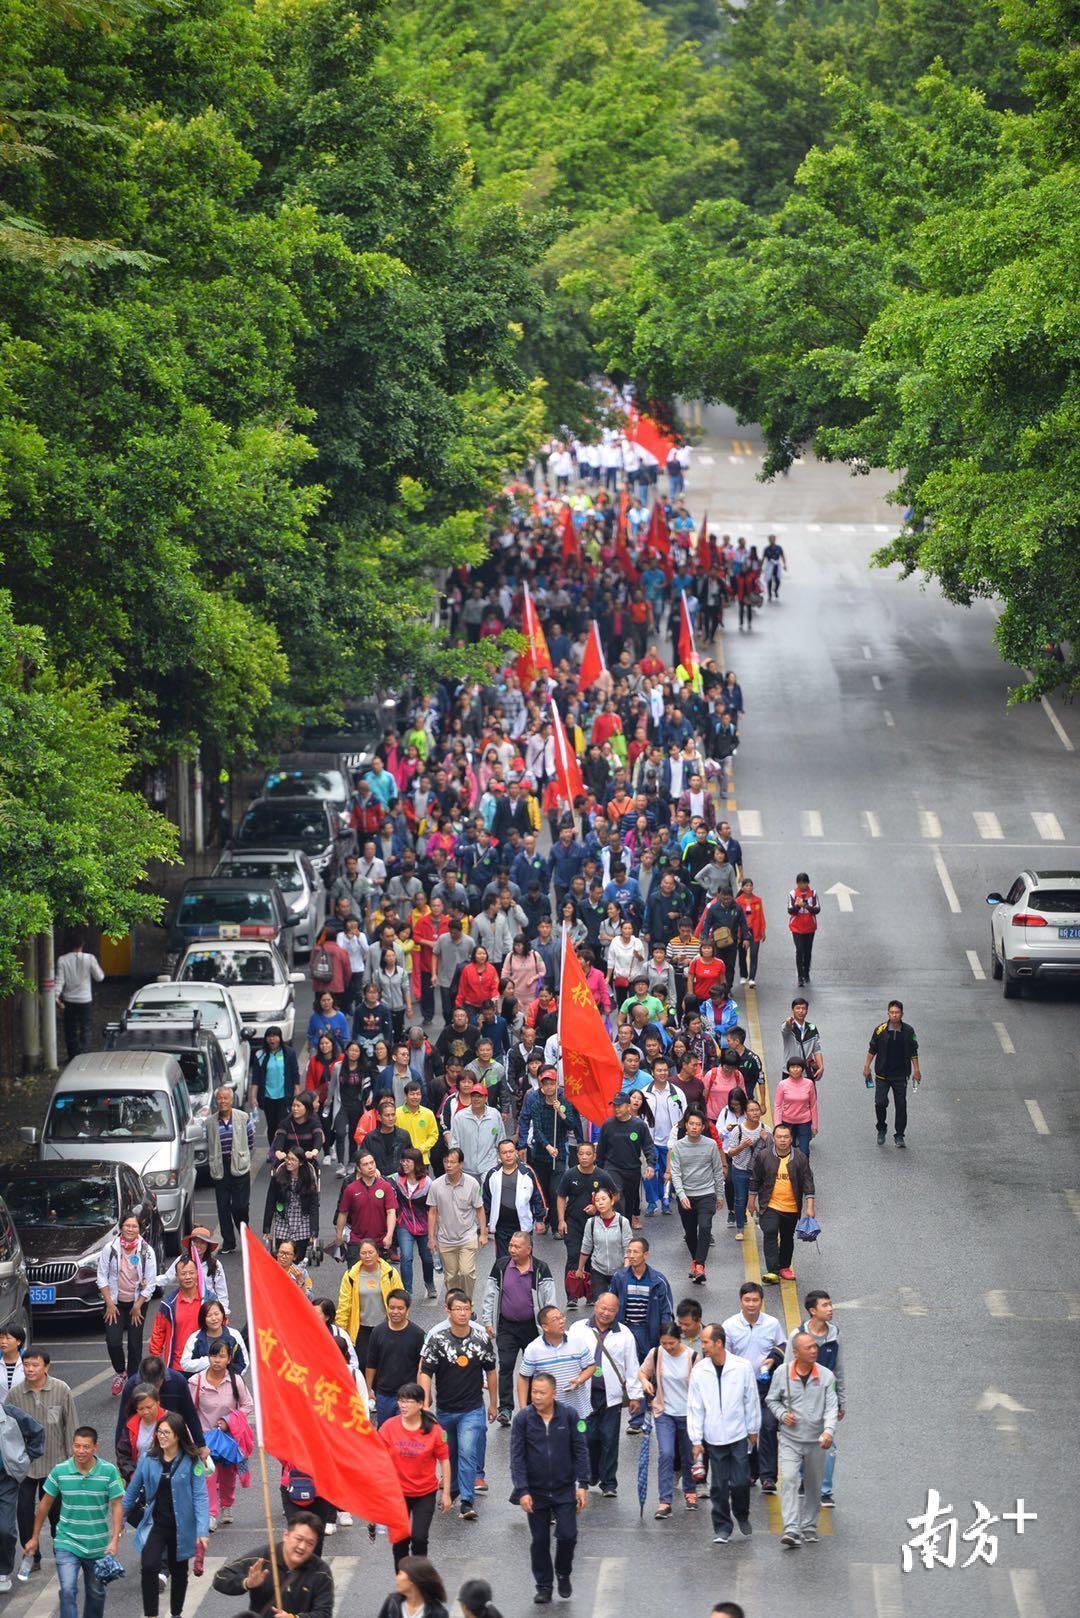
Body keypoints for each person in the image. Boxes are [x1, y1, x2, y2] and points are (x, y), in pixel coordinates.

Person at [24, 1426, 123, 1618]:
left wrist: (115, 1539)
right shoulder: (60, 1471)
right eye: (77, 1446)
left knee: (96, 1593)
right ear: (72, 1446)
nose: (80, 1451)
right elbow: (44, 1505)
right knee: (68, 1590)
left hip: (97, 1546)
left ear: (95, 1447)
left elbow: (117, 1505)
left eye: (86, 1447)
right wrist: (34, 1537)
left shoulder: (109, 1471)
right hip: (66, 1542)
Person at [417, 1290, 497, 1521]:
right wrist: (424, 1402)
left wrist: (494, 1403)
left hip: (472, 1409)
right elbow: (426, 1371)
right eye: (458, 1309)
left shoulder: (481, 1339)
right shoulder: (438, 1339)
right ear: (448, 1311)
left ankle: (467, 1501)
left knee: (468, 1451)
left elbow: (491, 1371)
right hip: (445, 1410)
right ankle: (452, 1490)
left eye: (466, 1309)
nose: (463, 1313)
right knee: (448, 1453)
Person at [510, 1372, 589, 1604]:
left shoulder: (569, 1416)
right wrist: (522, 1490)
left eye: (542, 1392)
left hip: (565, 1489)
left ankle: (563, 1573)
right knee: (540, 1540)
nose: (536, 1396)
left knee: (568, 1535)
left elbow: (580, 1450)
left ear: (554, 1393)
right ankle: (544, 1585)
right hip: (536, 1492)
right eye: (534, 1391)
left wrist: (582, 1484)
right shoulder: (523, 1419)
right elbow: (517, 1457)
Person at [121, 1411, 210, 1618]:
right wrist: (118, 1522)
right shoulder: (148, 1459)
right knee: (149, 1565)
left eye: (166, 1433)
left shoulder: (192, 1461)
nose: (161, 1436)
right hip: (156, 1525)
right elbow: (132, 1492)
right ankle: (151, 1614)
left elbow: (200, 1497)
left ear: (177, 1435)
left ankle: (176, 1613)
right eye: (159, 1432)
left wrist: (202, 1530)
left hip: (182, 1528)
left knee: (179, 1573)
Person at [7, 1348, 78, 1580]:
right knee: (24, 1512)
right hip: (25, 1467)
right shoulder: (15, 1394)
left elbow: (72, 1428)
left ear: (46, 1367)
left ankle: (62, 1553)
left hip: (55, 1466)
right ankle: (32, 1556)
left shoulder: (61, 1390)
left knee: (57, 1514)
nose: (29, 1369)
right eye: (26, 1365)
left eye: (35, 1365)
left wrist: (74, 1463)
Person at [687, 1325, 759, 1544]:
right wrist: (696, 1439)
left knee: (739, 1482)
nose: (703, 1346)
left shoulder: (742, 1367)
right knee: (718, 1486)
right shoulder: (700, 1370)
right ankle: (722, 1527)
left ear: (719, 1343)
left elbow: (751, 1399)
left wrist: (753, 1428)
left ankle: (741, 1513)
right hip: (713, 1437)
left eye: (706, 1342)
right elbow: (695, 1406)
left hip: (738, 1435)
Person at [566, 1292, 642, 1498]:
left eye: (611, 1310)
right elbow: (568, 1357)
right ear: (595, 1306)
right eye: (603, 1308)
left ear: (617, 1311)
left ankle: (609, 1483)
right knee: (587, 1436)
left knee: (609, 1439)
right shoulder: (578, 1329)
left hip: (611, 1396)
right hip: (583, 1394)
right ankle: (591, 1472)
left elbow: (632, 1366)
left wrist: (635, 1396)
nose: (606, 1313)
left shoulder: (624, 1334)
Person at [766, 1331, 839, 1547]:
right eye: (809, 1348)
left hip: (817, 1441)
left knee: (813, 1485)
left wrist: (828, 1431)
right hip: (790, 1440)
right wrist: (781, 1414)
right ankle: (790, 1528)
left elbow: (831, 1407)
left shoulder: (826, 1376)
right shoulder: (782, 1373)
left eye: (815, 1346)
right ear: (796, 1353)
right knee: (788, 1479)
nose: (814, 1350)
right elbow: (772, 1399)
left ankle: (808, 1526)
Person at [480, 1232, 556, 1423]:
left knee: (533, 1367)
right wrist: (488, 1321)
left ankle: (532, 1406)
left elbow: (549, 1300)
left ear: (528, 1249)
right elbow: (490, 1294)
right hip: (507, 1326)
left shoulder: (541, 1269)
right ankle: (505, 1408)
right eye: (511, 1245)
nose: (512, 1249)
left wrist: (550, 1326)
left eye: (516, 1246)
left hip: (532, 1327)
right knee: (505, 1365)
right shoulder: (501, 1266)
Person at [721, 1282, 786, 1495]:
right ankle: (748, 1472)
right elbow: (723, 1356)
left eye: (755, 1300)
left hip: (767, 1386)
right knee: (744, 1429)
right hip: (740, 1387)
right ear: (740, 1301)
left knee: (767, 1427)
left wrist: (770, 1361)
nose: (751, 1304)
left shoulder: (772, 1324)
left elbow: (783, 1346)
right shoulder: (729, 1326)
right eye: (747, 1300)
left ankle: (768, 1477)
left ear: (761, 1301)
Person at [783, 1290, 845, 1507]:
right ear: (812, 1311)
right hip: (801, 1397)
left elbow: (838, 1369)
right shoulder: (797, 1336)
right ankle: (803, 1481)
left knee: (828, 1443)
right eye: (825, 1305)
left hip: (825, 1396)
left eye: (830, 1304)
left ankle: (825, 1490)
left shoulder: (834, 1334)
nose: (830, 1308)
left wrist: (841, 1400)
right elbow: (787, 1369)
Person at [378, 1387, 452, 1565]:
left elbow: (445, 1461)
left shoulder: (435, 1431)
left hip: (424, 1493)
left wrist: (446, 1493)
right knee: (400, 1540)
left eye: (408, 1401)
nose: (402, 1405)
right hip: (398, 1494)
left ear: (420, 1404)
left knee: (419, 1538)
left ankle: (419, 1581)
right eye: (400, 1400)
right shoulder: (389, 1427)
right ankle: (402, 1583)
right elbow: (377, 1456)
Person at [212, 1513, 334, 1617]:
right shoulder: (261, 1558)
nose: (302, 1547)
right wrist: (247, 1583)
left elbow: (324, 1613)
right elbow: (220, 1578)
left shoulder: (321, 1572)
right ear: (286, 1535)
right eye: (298, 1539)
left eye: (310, 1543)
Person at [639, 1319, 700, 1518]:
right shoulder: (656, 1353)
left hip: (688, 1415)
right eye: (664, 1343)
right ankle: (665, 1501)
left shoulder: (693, 1357)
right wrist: (645, 1382)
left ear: (679, 1338)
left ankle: (690, 1491)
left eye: (671, 1343)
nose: (667, 1347)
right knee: (666, 1454)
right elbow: (642, 1372)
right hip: (664, 1412)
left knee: (688, 1455)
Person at [190, 1340, 254, 1530]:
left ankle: (227, 1505)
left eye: (222, 1356)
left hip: (228, 1439)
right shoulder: (196, 1381)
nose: (217, 1360)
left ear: (229, 1359)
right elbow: (189, 1411)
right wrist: (193, 1436)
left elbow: (247, 1404)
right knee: (208, 1475)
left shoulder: (235, 1380)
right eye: (213, 1355)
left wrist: (229, 1421)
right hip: (205, 1438)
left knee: (228, 1476)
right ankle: (210, 1513)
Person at [610, 1237, 675, 1416]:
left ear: (646, 1254)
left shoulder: (658, 1280)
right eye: (629, 1252)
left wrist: (666, 1335)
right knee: (632, 1373)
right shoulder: (619, 1277)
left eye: (635, 1252)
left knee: (648, 1372)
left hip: (649, 1332)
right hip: (627, 1331)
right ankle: (636, 1419)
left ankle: (650, 1407)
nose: (631, 1256)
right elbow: (611, 1303)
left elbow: (666, 1310)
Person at [96, 1215, 157, 1396]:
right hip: (114, 1303)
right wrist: (109, 1303)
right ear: (121, 1227)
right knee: (113, 1341)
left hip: (137, 1302)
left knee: (134, 1342)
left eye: (134, 1226)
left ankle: (132, 1379)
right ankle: (121, 1371)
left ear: (140, 1229)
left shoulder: (146, 1251)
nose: (130, 1229)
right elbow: (102, 1276)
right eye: (127, 1226)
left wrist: (138, 1305)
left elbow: (151, 1282)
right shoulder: (111, 1248)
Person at [747, 1123, 816, 1283]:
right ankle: (772, 1270)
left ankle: (784, 1266)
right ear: (774, 1138)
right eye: (779, 1137)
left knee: (787, 1237)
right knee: (770, 1232)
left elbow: (808, 1183)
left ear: (791, 1139)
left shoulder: (800, 1157)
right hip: (769, 1205)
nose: (782, 1140)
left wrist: (810, 1207)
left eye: (786, 1137)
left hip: (791, 1207)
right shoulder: (764, 1156)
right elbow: (755, 1180)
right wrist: (751, 1202)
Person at [555, 1143, 618, 1306]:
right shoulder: (569, 1175)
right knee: (574, 1256)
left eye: (588, 1154)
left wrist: (598, 1207)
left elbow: (615, 1195)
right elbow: (561, 1196)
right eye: (581, 1154)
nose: (584, 1157)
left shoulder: (602, 1176)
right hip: (573, 1223)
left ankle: (591, 1294)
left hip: (595, 1224)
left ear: (594, 1156)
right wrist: (561, 1221)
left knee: (593, 1258)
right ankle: (572, 1296)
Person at [668, 1110, 725, 1283]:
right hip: (686, 1195)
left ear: (702, 1127)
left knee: (705, 1227)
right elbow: (675, 1173)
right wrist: (681, 1194)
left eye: (698, 1125)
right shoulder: (678, 1146)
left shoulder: (710, 1145)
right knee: (690, 1232)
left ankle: (700, 1264)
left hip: (706, 1193)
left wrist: (720, 1195)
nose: (694, 1127)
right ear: (686, 1125)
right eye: (691, 1124)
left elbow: (717, 1170)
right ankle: (695, 1262)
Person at [427, 1147, 489, 1301]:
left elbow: (480, 1209)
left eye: (452, 1162)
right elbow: (432, 1212)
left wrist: (483, 1234)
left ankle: (468, 1304)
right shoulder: (436, 1185)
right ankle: (455, 1306)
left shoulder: (472, 1184)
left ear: (461, 1164)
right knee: (451, 1276)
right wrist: (431, 1238)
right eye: (446, 1162)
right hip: (446, 1239)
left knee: (467, 1272)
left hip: (467, 1237)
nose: (448, 1165)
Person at [115, 1356, 204, 1461]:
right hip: (143, 1445)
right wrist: (120, 1456)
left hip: (173, 1443)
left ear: (163, 1377)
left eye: (157, 1386)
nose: (154, 1392)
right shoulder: (132, 1385)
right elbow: (123, 1420)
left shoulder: (178, 1381)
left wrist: (201, 1444)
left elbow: (190, 1415)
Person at [335, 1240, 404, 1371]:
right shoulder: (350, 1275)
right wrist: (341, 1331)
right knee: (364, 1364)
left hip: (386, 1326)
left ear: (377, 1254)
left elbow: (401, 1299)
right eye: (364, 1253)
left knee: (387, 1364)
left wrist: (402, 1324)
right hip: (361, 1329)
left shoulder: (390, 1273)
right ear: (359, 1255)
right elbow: (344, 1305)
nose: (367, 1256)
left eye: (371, 1252)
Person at [864, 999, 922, 1147]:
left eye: (897, 1013)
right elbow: (872, 1049)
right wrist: (866, 1066)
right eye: (892, 1012)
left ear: (902, 1014)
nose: (894, 1015)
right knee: (880, 1102)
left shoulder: (909, 1031)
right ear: (888, 1013)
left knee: (901, 1105)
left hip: (900, 1075)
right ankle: (881, 1128)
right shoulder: (880, 1030)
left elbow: (913, 1051)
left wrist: (916, 1070)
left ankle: (899, 1135)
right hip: (882, 1075)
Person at [1, 1400, 43, 1594]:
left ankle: (3, 1571)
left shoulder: (10, 1414)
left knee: (5, 1530)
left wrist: (26, 1459)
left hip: (6, 1480)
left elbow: (37, 1432)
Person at [366, 1292, 426, 1428]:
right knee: (385, 1432)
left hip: (409, 1396)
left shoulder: (417, 1334)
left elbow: (422, 1368)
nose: (395, 1312)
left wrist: (423, 1394)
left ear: (407, 1310)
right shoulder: (378, 1332)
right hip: (384, 1395)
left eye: (400, 1308)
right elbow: (371, 1363)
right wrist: (369, 1389)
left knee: (407, 1432)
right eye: (392, 1308)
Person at [596, 1091, 656, 1228]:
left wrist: (651, 1164)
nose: (616, 1109)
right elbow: (601, 1150)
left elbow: (649, 1147)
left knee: (629, 1205)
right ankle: (615, 1228)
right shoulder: (607, 1125)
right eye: (614, 1106)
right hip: (612, 1168)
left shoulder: (639, 1125)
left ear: (628, 1107)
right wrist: (599, 1171)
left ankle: (624, 1229)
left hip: (632, 1170)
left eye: (620, 1105)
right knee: (617, 1196)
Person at [206, 1086, 255, 1252]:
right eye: (220, 1098)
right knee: (223, 1206)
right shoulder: (210, 1122)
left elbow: (250, 1140)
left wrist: (242, 1155)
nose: (222, 1101)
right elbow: (209, 1144)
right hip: (220, 1167)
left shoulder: (243, 1117)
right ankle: (228, 1242)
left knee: (240, 1206)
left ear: (232, 1100)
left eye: (226, 1098)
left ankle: (246, 1237)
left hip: (239, 1165)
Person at [484, 1139, 547, 1260]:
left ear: (516, 1152)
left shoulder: (527, 1172)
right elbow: (486, 1200)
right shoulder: (492, 1174)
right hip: (501, 1226)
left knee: (524, 1260)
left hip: (522, 1225)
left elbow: (537, 1196)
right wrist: (484, 1223)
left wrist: (540, 1219)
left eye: (511, 1151)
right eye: (504, 1152)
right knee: (503, 1262)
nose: (508, 1155)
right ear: (499, 1155)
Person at [148, 1258, 212, 1374]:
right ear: (177, 1277)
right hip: (177, 1367)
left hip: (205, 1365)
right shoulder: (168, 1304)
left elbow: (221, 1327)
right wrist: (155, 1359)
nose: (188, 1277)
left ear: (198, 1274)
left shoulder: (209, 1299)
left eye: (191, 1273)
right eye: (183, 1274)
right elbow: (158, 1332)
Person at [334, 1150, 398, 1264]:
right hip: (357, 1242)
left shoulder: (386, 1186)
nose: (370, 1167)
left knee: (381, 1280)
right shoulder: (350, 1189)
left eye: (372, 1163)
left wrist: (389, 1235)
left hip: (379, 1241)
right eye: (365, 1164)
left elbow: (391, 1212)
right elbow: (343, 1213)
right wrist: (339, 1235)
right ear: (358, 1168)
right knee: (355, 1279)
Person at [391, 1148, 436, 1300]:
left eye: (408, 1161)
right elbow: (383, 1179)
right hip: (404, 1224)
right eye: (403, 1160)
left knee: (427, 1258)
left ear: (416, 1163)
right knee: (406, 1256)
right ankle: (407, 1291)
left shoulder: (428, 1183)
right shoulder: (397, 1178)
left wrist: (432, 1236)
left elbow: (432, 1209)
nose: (404, 1164)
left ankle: (429, 1283)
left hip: (423, 1226)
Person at [54, 932, 104, 1060]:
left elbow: (60, 980)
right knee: (85, 1028)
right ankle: (83, 1055)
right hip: (85, 999)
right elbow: (99, 977)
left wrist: (56, 996)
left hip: (69, 1000)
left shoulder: (62, 960)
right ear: (82, 944)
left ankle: (72, 1056)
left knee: (69, 1029)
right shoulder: (90, 958)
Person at [262, 1148, 319, 1260]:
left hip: (303, 1221)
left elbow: (314, 1207)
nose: (289, 1162)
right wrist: (266, 1228)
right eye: (288, 1158)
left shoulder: (309, 1181)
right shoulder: (277, 1179)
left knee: (298, 1258)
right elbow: (270, 1202)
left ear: (301, 1163)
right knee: (282, 1257)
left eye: (293, 1159)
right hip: (283, 1220)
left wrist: (314, 1231)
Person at [575, 1186, 631, 1299]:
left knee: (618, 1306)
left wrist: (625, 1270)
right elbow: (586, 1247)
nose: (600, 1203)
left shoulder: (623, 1222)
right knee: (601, 1305)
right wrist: (580, 1268)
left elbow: (627, 1249)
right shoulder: (591, 1223)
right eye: (597, 1200)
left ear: (612, 1201)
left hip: (619, 1271)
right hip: (598, 1270)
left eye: (604, 1199)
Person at [248, 1025, 301, 1142]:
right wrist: (253, 1097)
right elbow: (255, 1078)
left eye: (275, 1036)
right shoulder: (259, 1055)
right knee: (272, 1126)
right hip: (267, 1097)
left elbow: (295, 1073)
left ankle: (282, 1150)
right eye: (269, 1037)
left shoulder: (289, 1053)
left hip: (284, 1096)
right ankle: (273, 1150)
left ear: (280, 1038)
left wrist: (297, 1091)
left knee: (282, 1124)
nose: (272, 1039)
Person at [449, 1080, 506, 1181]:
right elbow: (454, 1142)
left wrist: (498, 1160)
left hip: (489, 1166)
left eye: (480, 1096)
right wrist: (456, 1163)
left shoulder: (494, 1115)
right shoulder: (460, 1116)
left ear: (486, 1098)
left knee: (488, 1195)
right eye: (474, 1096)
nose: (476, 1099)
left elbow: (501, 1139)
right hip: (466, 1168)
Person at [179, 1298, 249, 1376]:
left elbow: (244, 1363)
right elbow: (185, 1364)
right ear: (203, 1319)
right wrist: (209, 1361)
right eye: (209, 1315)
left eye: (216, 1314)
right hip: (201, 1385)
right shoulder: (195, 1338)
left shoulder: (234, 1335)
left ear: (222, 1315)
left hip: (229, 1383)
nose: (214, 1318)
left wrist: (229, 1379)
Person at [772, 1058, 819, 1159]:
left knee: (804, 1151)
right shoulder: (782, 1084)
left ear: (802, 1069)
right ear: (788, 1069)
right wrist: (777, 1126)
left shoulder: (809, 1083)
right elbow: (778, 1105)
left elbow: (813, 1105)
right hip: (787, 1122)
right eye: (792, 1067)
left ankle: (804, 1173)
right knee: (787, 1151)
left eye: (798, 1067)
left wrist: (814, 1125)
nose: (795, 1070)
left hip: (804, 1122)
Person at [374, 1556, 449, 1618]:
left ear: (412, 1579)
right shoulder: (392, 1601)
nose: (396, 1578)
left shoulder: (439, 1614)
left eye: (400, 1573)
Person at [360, 1096, 413, 1179]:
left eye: (393, 1115)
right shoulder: (370, 1138)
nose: (391, 1118)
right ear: (380, 1117)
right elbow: (362, 1159)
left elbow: (410, 1157)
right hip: (377, 1179)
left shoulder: (403, 1135)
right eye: (387, 1115)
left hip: (401, 1179)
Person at [787, 874, 819, 987]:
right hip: (797, 927)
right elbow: (790, 910)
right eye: (800, 883)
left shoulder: (813, 893)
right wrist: (798, 906)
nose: (802, 885)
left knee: (807, 951)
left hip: (810, 927)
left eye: (804, 883)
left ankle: (807, 972)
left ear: (808, 882)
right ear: (797, 883)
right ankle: (800, 976)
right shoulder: (793, 893)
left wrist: (805, 905)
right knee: (799, 950)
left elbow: (817, 909)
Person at [780, 998, 823, 1081]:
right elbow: (785, 1029)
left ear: (807, 1011)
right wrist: (788, 1023)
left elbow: (817, 1049)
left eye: (803, 1008)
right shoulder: (788, 1027)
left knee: (809, 1094)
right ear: (793, 1010)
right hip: (789, 1072)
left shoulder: (812, 1028)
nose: (800, 1011)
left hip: (807, 1072)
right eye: (798, 1008)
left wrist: (821, 1067)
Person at [735, 878, 766, 985]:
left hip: (755, 930)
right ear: (742, 888)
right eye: (746, 886)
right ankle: (743, 975)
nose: (749, 887)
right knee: (742, 954)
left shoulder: (758, 900)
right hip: (742, 931)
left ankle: (752, 978)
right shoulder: (738, 901)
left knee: (754, 953)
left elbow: (761, 916)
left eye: (750, 885)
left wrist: (763, 930)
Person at [0, 1322, 25, 1395]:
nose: (3, 1341)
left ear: (19, 1341)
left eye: (8, 1338)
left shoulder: (28, 1360)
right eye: (1, 1338)